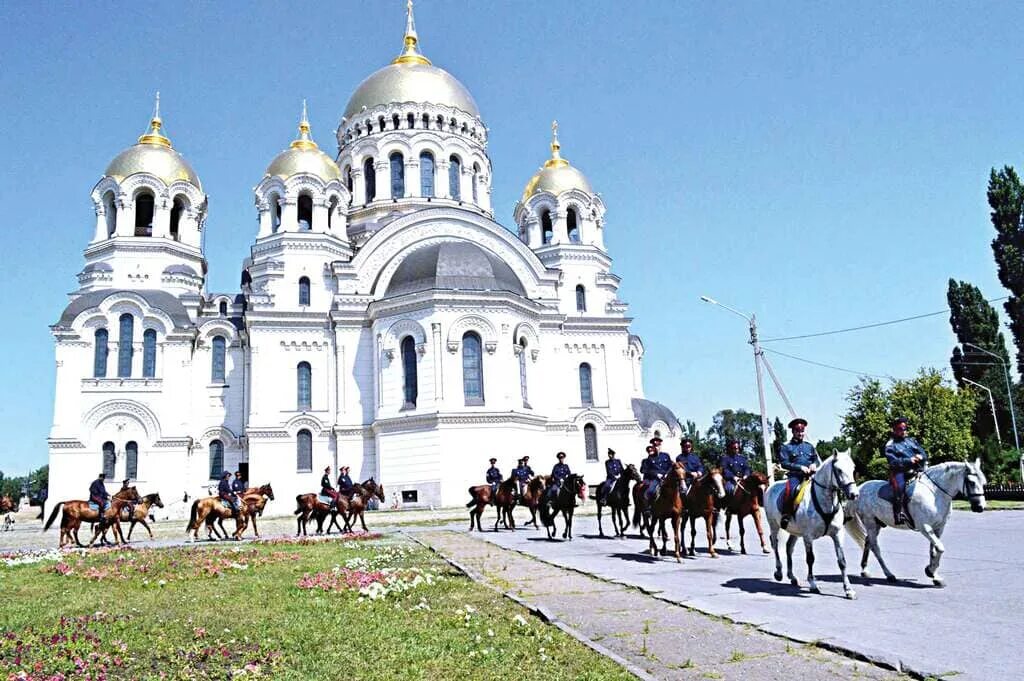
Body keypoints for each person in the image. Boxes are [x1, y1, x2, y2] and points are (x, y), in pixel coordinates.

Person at [884, 417, 928, 527]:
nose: (903, 431)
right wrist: (909, 460)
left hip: (917, 470)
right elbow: (893, 462)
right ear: (894, 430)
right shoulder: (890, 445)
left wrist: (921, 456)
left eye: (904, 428)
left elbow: (923, 453)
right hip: (900, 472)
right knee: (900, 487)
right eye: (900, 429)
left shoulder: (911, 441)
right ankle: (898, 514)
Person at [779, 418, 820, 529]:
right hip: (795, 476)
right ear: (793, 432)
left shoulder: (809, 446)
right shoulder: (786, 447)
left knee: (827, 485)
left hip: (810, 475)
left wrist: (814, 464)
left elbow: (815, 459)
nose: (801, 433)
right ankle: (786, 514)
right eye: (798, 431)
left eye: (802, 431)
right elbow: (784, 463)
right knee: (790, 490)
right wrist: (799, 467)